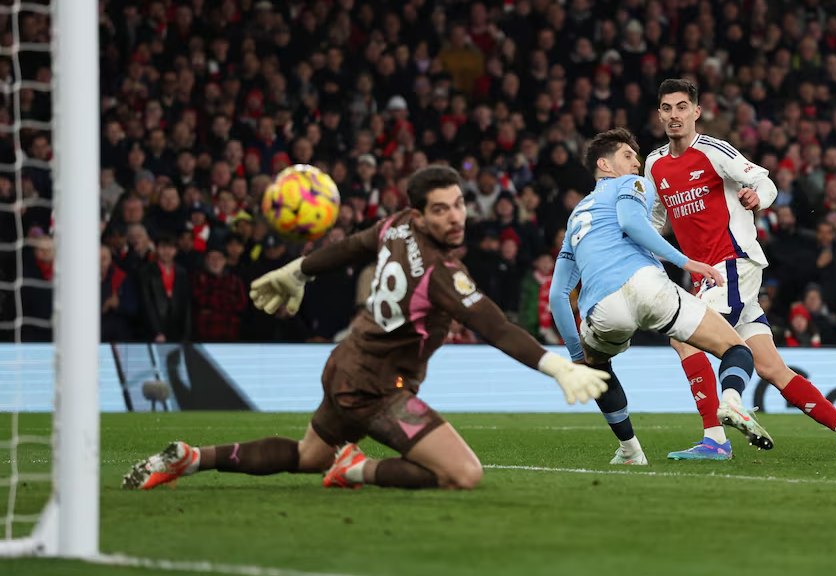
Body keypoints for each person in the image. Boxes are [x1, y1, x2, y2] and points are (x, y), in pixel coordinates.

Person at [122, 166, 610, 492]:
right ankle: (359, 468)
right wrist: (556, 367)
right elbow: (493, 325)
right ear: (421, 213)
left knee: (307, 455)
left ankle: (192, 457)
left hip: (345, 367)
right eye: (441, 209)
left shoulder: (396, 226)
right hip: (379, 389)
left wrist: (299, 270)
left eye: (459, 204)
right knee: (463, 473)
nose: (456, 216)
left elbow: (352, 246)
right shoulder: (441, 271)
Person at [644, 78, 836, 461]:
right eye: (668, 108)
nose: (675, 115)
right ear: (659, 114)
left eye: (682, 107)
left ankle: (718, 433)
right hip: (710, 274)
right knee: (773, 368)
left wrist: (758, 199)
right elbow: (655, 218)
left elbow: (762, 180)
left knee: (682, 335)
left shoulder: (714, 151)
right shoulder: (654, 164)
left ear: (696, 112)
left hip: (733, 263)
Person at [549, 127, 756, 464]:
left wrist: (576, 355)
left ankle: (630, 450)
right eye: (628, 155)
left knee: (598, 365)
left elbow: (558, 294)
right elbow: (631, 223)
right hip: (648, 287)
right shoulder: (633, 184)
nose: (637, 161)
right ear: (605, 164)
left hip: (602, 309)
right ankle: (731, 398)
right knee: (735, 348)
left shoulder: (575, 218)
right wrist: (686, 261)